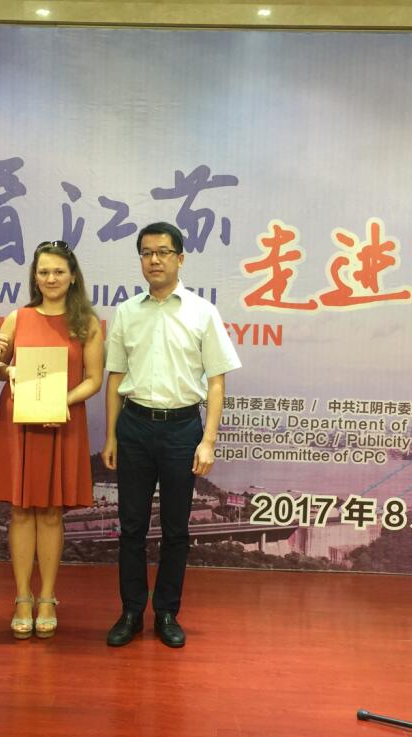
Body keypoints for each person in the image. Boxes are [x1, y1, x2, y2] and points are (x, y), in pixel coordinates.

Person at [102, 222, 241, 648]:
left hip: (182, 428)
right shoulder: (127, 312)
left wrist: (208, 440)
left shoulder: (202, 312)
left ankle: (166, 612)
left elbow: (216, 382)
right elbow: (115, 377)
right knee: (131, 526)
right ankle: (131, 611)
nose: (154, 260)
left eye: (163, 252)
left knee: (176, 528)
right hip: (134, 425)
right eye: (146, 253)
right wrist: (111, 437)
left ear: (180, 258)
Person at [0, 241, 103, 639]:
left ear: (72, 277)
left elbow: (94, 380)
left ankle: (47, 597)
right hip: (18, 423)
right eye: (44, 272)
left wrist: (60, 402)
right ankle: (22, 597)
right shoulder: (18, 318)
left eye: (58, 272)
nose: (51, 278)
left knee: (51, 513)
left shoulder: (88, 323)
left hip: (62, 420)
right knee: (20, 511)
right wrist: (2, 363)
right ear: (35, 276)